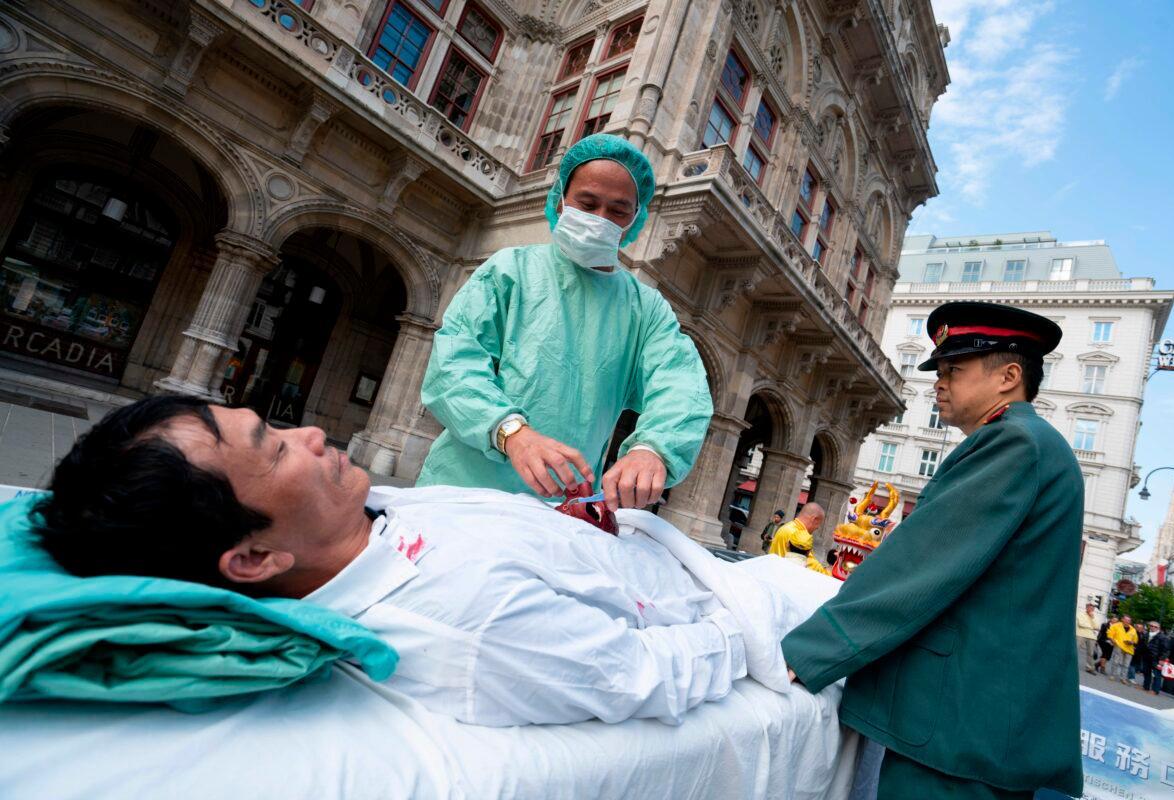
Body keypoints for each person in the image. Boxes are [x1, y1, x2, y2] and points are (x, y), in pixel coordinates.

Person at [33, 396, 826, 728]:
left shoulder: (369, 518)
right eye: (275, 449)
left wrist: (581, 527)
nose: (311, 434)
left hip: (664, 554)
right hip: (767, 609)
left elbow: (508, 538)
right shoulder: (468, 624)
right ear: (252, 559)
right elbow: (648, 674)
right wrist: (754, 622)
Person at [780, 302, 1084, 798]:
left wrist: (811, 651)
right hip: (978, 724)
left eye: (953, 370)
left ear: (1009, 376)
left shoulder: (1013, 443)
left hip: (962, 728)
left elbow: (920, 564)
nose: (938, 383)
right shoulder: (1030, 442)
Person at [418, 134, 712, 512]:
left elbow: (681, 386)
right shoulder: (510, 271)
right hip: (460, 492)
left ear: (636, 220)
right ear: (561, 200)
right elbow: (453, 364)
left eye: (618, 211)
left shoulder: (646, 309)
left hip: (560, 511)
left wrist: (652, 449)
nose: (599, 219)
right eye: (587, 203)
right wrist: (512, 433)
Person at [768, 504, 829, 576]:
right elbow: (810, 565)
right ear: (814, 519)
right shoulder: (798, 534)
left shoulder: (787, 526)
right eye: (818, 524)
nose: (818, 527)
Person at [1140, 620, 1169, 694]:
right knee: (1146, 672)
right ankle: (1145, 687)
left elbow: (1166, 650)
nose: (1153, 627)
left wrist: (1162, 659)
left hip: (1156, 658)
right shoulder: (1147, 634)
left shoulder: (1162, 637)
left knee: (1157, 675)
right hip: (1146, 656)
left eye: (1155, 626)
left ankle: (1155, 690)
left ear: (1158, 628)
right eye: (1151, 626)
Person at [1107, 615, 1137, 685]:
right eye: (1126, 620)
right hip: (1119, 645)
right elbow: (1110, 634)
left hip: (1129, 648)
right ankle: (1113, 675)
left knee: (1126, 665)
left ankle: (1123, 678)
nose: (1127, 621)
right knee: (1116, 661)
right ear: (1122, 619)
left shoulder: (1133, 629)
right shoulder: (1116, 626)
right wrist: (1113, 641)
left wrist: (1131, 642)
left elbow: (1135, 640)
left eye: (1129, 620)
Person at [1075, 602, 1100, 673]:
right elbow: (1081, 624)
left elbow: (1097, 627)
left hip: (1091, 636)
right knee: (1075, 650)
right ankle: (1070, 663)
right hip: (1081, 634)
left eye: (1093, 608)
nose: (1091, 609)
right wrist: (1091, 627)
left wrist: (1092, 618)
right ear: (1086, 607)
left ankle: (1089, 668)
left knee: (1090, 653)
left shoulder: (1095, 617)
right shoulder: (1080, 614)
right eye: (1090, 607)